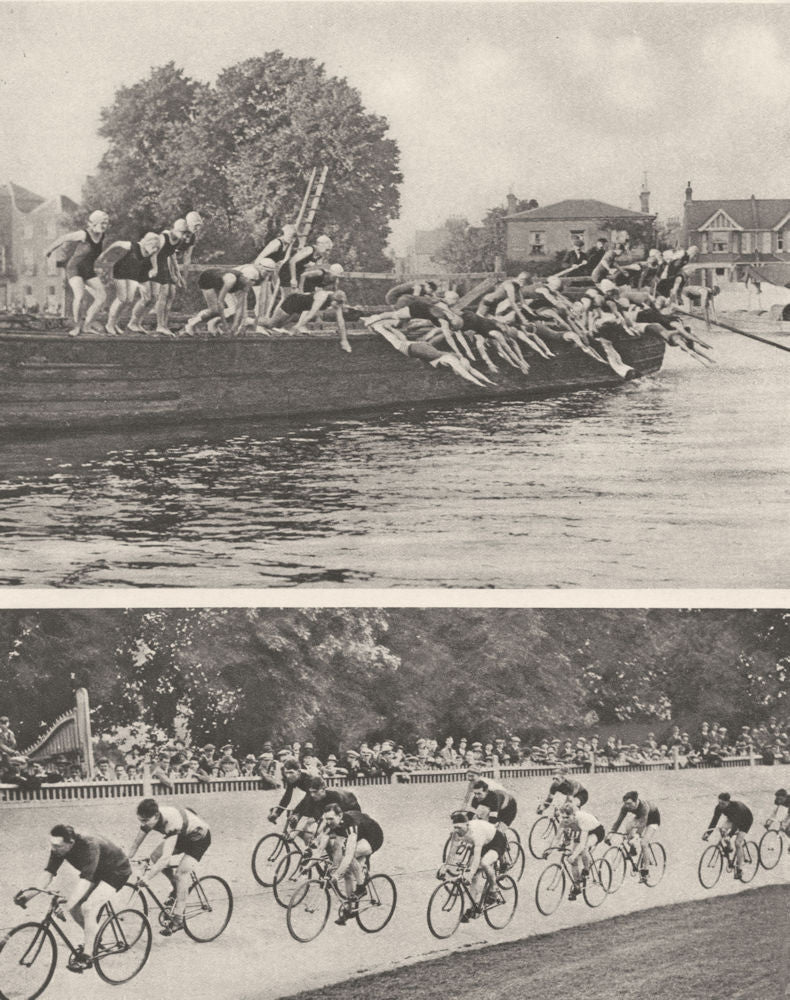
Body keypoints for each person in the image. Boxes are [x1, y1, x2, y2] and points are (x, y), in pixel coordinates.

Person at [17, 823, 132, 971]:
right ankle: (94, 938)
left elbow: (85, 881)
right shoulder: (59, 848)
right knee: (74, 907)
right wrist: (28, 895)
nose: (53, 849)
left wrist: (66, 905)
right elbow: (49, 872)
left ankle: (87, 957)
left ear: (71, 843)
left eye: (57, 846)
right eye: (52, 844)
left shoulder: (89, 845)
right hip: (95, 871)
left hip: (116, 871)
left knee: (88, 907)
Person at [127, 797, 211, 935]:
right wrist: (126, 860)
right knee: (155, 856)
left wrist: (147, 877)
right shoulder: (149, 818)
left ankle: (178, 919)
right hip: (182, 835)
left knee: (180, 874)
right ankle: (176, 888)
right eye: (140, 820)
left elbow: (165, 859)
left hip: (198, 839)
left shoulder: (171, 822)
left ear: (156, 816)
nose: (143, 824)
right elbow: (136, 844)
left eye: (145, 821)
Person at [44, 210, 110, 337]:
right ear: (94, 223)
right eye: (102, 223)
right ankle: (76, 327)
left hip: (88, 270)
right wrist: (49, 249)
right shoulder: (83, 234)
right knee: (79, 296)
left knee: (102, 297)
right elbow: (63, 238)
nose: (104, 226)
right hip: (74, 268)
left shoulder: (102, 236)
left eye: (106, 223)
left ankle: (87, 325)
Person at [317, 803, 384, 925]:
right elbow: (324, 848)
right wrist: (309, 864)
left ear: (340, 816)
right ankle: (349, 909)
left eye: (331, 819)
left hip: (373, 836)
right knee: (347, 873)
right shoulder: (331, 823)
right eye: (326, 819)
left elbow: (348, 855)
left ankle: (361, 887)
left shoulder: (350, 825)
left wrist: (336, 875)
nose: (328, 822)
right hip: (360, 835)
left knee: (350, 855)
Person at [441, 809, 507, 923]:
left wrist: (469, 875)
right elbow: (451, 853)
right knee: (474, 876)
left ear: (467, 825)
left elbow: (476, 859)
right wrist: (445, 867)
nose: (457, 830)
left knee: (484, 863)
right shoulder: (456, 833)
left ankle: (494, 890)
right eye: (455, 827)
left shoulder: (476, 834)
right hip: (483, 844)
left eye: (459, 828)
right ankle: (472, 908)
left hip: (496, 841)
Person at [128, 219, 188, 336]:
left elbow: (172, 255)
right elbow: (153, 254)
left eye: (185, 232)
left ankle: (162, 324)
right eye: (181, 232)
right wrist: (155, 269)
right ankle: (154, 325)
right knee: (155, 297)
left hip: (164, 266)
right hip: (152, 265)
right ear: (174, 229)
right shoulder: (164, 237)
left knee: (169, 295)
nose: (183, 235)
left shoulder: (178, 240)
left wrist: (177, 274)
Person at [95, 232, 163, 335]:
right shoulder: (133, 246)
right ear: (147, 243)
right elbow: (117, 243)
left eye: (156, 248)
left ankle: (115, 323)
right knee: (122, 298)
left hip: (133, 274)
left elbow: (154, 264)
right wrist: (103, 254)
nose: (155, 250)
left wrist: (154, 270)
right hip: (120, 271)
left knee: (129, 300)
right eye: (153, 246)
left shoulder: (152, 252)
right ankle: (109, 324)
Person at [265, 281, 351, 352]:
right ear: (333, 299)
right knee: (270, 324)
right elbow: (310, 315)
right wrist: (296, 327)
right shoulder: (322, 296)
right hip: (292, 302)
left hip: (300, 310)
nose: (337, 307)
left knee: (278, 327)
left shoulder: (337, 302)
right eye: (337, 304)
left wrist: (344, 341)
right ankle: (257, 322)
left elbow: (341, 322)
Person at [184, 264, 262, 337]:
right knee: (214, 310)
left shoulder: (245, 285)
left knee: (233, 311)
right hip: (207, 279)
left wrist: (235, 327)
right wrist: (225, 325)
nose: (252, 284)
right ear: (244, 278)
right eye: (251, 281)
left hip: (221, 282)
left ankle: (212, 324)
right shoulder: (230, 280)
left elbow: (240, 308)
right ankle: (191, 323)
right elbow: (220, 302)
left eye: (254, 282)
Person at [606, 791, 661, 883]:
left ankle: (645, 872)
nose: (627, 806)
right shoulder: (626, 807)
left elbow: (643, 824)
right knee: (628, 828)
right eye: (625, 803)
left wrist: (637, 835)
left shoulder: (644, 806)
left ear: (636, 801)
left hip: (653, 820)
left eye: (629, 804)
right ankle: (633, 849)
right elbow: (619, 820)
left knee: (643, 843)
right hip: (640, 818)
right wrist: (611, 833)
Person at [558, 801, 606, 900]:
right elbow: (557, 836)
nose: (565, 820)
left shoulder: (581, 820)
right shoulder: (566, 820)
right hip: (581, 832)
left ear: (573, 815)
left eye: (567, 817)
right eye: (563, 817)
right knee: (574, 861)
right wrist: (549, 851)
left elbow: (582, 844)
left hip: (596, 831)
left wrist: (573, 855)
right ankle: (577, 886)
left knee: (583, 849)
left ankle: (586, 869)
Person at [702, 791, 754, 880]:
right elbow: (714, 820)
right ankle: (729, 847)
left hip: (746, 820)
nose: (720, 805)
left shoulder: (737, 807)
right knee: (722, 829)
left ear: (728, 802)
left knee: (737, 843)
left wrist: (730, 835)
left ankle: (740, 869)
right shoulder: (719, 807)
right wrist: (708, 833)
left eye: (723, 803)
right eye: (719, 802)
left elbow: (736, 825)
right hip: (733, 819)